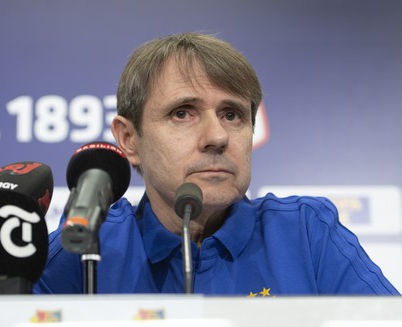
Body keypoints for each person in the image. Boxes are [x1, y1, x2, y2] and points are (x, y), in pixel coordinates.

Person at [34, 32, 399, 295]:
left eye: (232, 114)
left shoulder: (307, 233)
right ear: (129, 139)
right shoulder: (80, 252)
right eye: (182, 113)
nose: (217, 136)